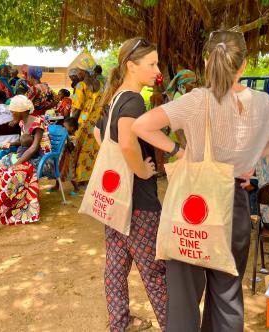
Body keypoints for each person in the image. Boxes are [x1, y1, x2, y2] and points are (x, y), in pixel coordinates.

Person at [132, 29, 269, 332]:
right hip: (233, 204)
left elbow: (142, 125)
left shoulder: (196, 101)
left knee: (184, 299)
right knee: (227, 295)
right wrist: (255, 155)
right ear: (244, 65)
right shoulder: (261, 103)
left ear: (207, 60)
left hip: (192, 205)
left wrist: (179, 151)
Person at [93, 38, 167, 332]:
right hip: (139, 202)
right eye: (151, 64)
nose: (157, 70)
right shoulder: (134, 100)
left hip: (115, 200)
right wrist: (143, 171)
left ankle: (119, 325)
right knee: (156, 273)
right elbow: (125, 143)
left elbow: (100, 135)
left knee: (115, 266)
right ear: (131, 66)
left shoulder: (115, 99)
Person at [0, 95, 54, 232]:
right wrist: (10, 144)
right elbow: (24, 142)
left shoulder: (37, 123)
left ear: (20, 111)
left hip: (39, 160)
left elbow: (34, 147)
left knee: (9, 175)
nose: (11, 114)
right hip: (24, 156)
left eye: (12, 112)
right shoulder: (22, 122)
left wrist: (16, 164)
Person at [69, 52, 103, 194]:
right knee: (92, 151)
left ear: (84, 72)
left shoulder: (81, 86)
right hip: (97, 123)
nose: (77, 74)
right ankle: (91, 179)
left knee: (78, 151)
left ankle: (80, 180)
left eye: (78, 71)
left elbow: (76, 108)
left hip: (83, 123)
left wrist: (70, 124)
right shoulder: (100, 84)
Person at [50, 116, 79, 195]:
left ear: (72, 128)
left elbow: (71, 148)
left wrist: (66, 138)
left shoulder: (73, 138)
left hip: (68, 160)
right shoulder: (63, 135)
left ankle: (76, 188)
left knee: (70, 174)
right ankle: (57, 186)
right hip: (61, 157)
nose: (63, 129)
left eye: (65, 127)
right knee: (58, 170)